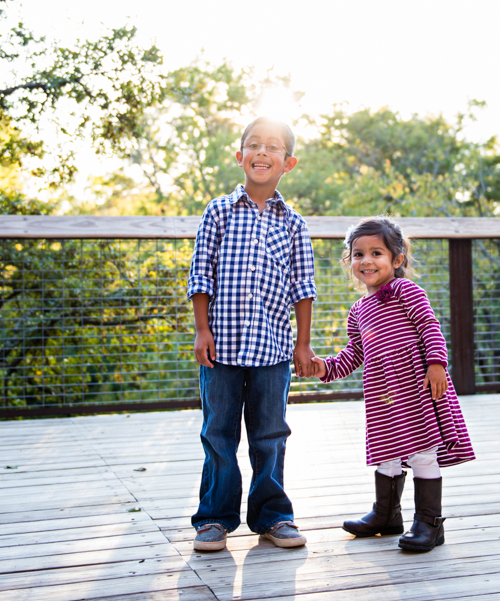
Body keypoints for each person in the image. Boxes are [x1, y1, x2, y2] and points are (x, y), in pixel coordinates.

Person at [187, 117, 316, 552]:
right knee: (218, 433)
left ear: (288, 162)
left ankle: (274, 516)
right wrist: (202, 330)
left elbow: (303, 286)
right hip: (220, 345)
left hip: (274, 346)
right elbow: (200, 273)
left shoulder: (294, 223)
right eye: (253, 145)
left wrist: (302, 343)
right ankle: (214, 519)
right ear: (239, 154)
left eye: (273, 147)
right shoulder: (218, 211)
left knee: (270, 434)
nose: (262, 152)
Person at [308, 217, 475, 552]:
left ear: (396, 260)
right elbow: (354, 354)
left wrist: (437, 364)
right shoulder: (358, 311)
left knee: (421, 453)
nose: (366, 261)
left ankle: (430, 523)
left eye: (376, 253)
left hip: (416, 385)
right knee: (387, 454)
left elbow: (429, 325)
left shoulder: (405, 291)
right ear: (350, 261)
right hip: (383, 395)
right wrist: (322, 368)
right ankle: (386, 515)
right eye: (358, 254)